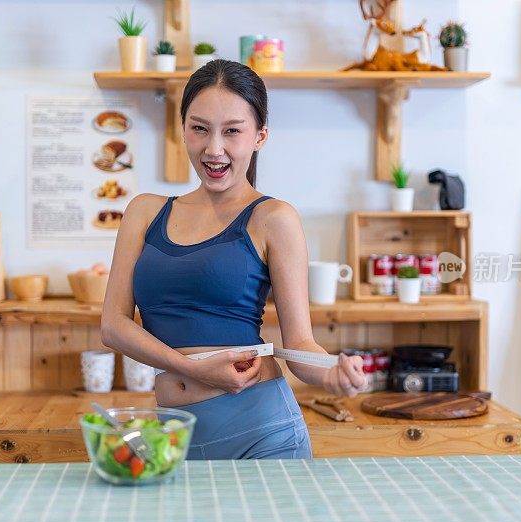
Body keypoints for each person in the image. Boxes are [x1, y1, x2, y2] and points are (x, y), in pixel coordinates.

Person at [101, 59, 367, 460]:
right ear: (183, 128)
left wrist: (330, 373)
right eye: (200, 128)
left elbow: (299, 343)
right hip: (175, 437)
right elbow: (113, 326)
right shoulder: (144, 212)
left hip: (262, 434)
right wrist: (189, 368)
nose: (214, 149)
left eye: (232, 132)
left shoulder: (274, 218)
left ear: (260, 136)